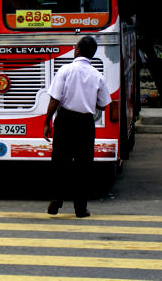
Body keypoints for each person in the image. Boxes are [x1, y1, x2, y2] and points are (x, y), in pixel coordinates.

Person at [44, 36, 111, 218]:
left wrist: (47, 121)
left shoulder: (65, 70)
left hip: (65, 120)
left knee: (59, 162)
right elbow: (104, 104)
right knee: (83, 166)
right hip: (85, 123)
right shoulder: (98, 76)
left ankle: (57, 200)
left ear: (78, 50)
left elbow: (55, 99)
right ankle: (80, 208)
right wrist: (89, 100)